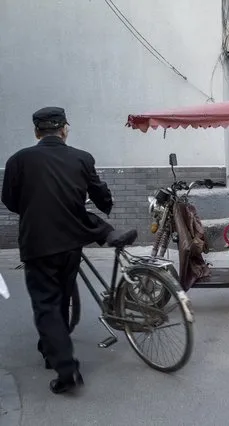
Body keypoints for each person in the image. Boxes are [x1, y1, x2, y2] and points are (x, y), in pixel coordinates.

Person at [1, 107, 126, 394]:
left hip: (38, 243)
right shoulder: (81, 157)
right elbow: (98, 193)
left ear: (36, 132)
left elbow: (9, 199)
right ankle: (50, 348)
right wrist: (106, 203)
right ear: (64, 130)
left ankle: (66, 369)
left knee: (47, 305)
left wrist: (34, 210)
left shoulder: (18, 160)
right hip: (72, 242)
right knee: (59, 298)